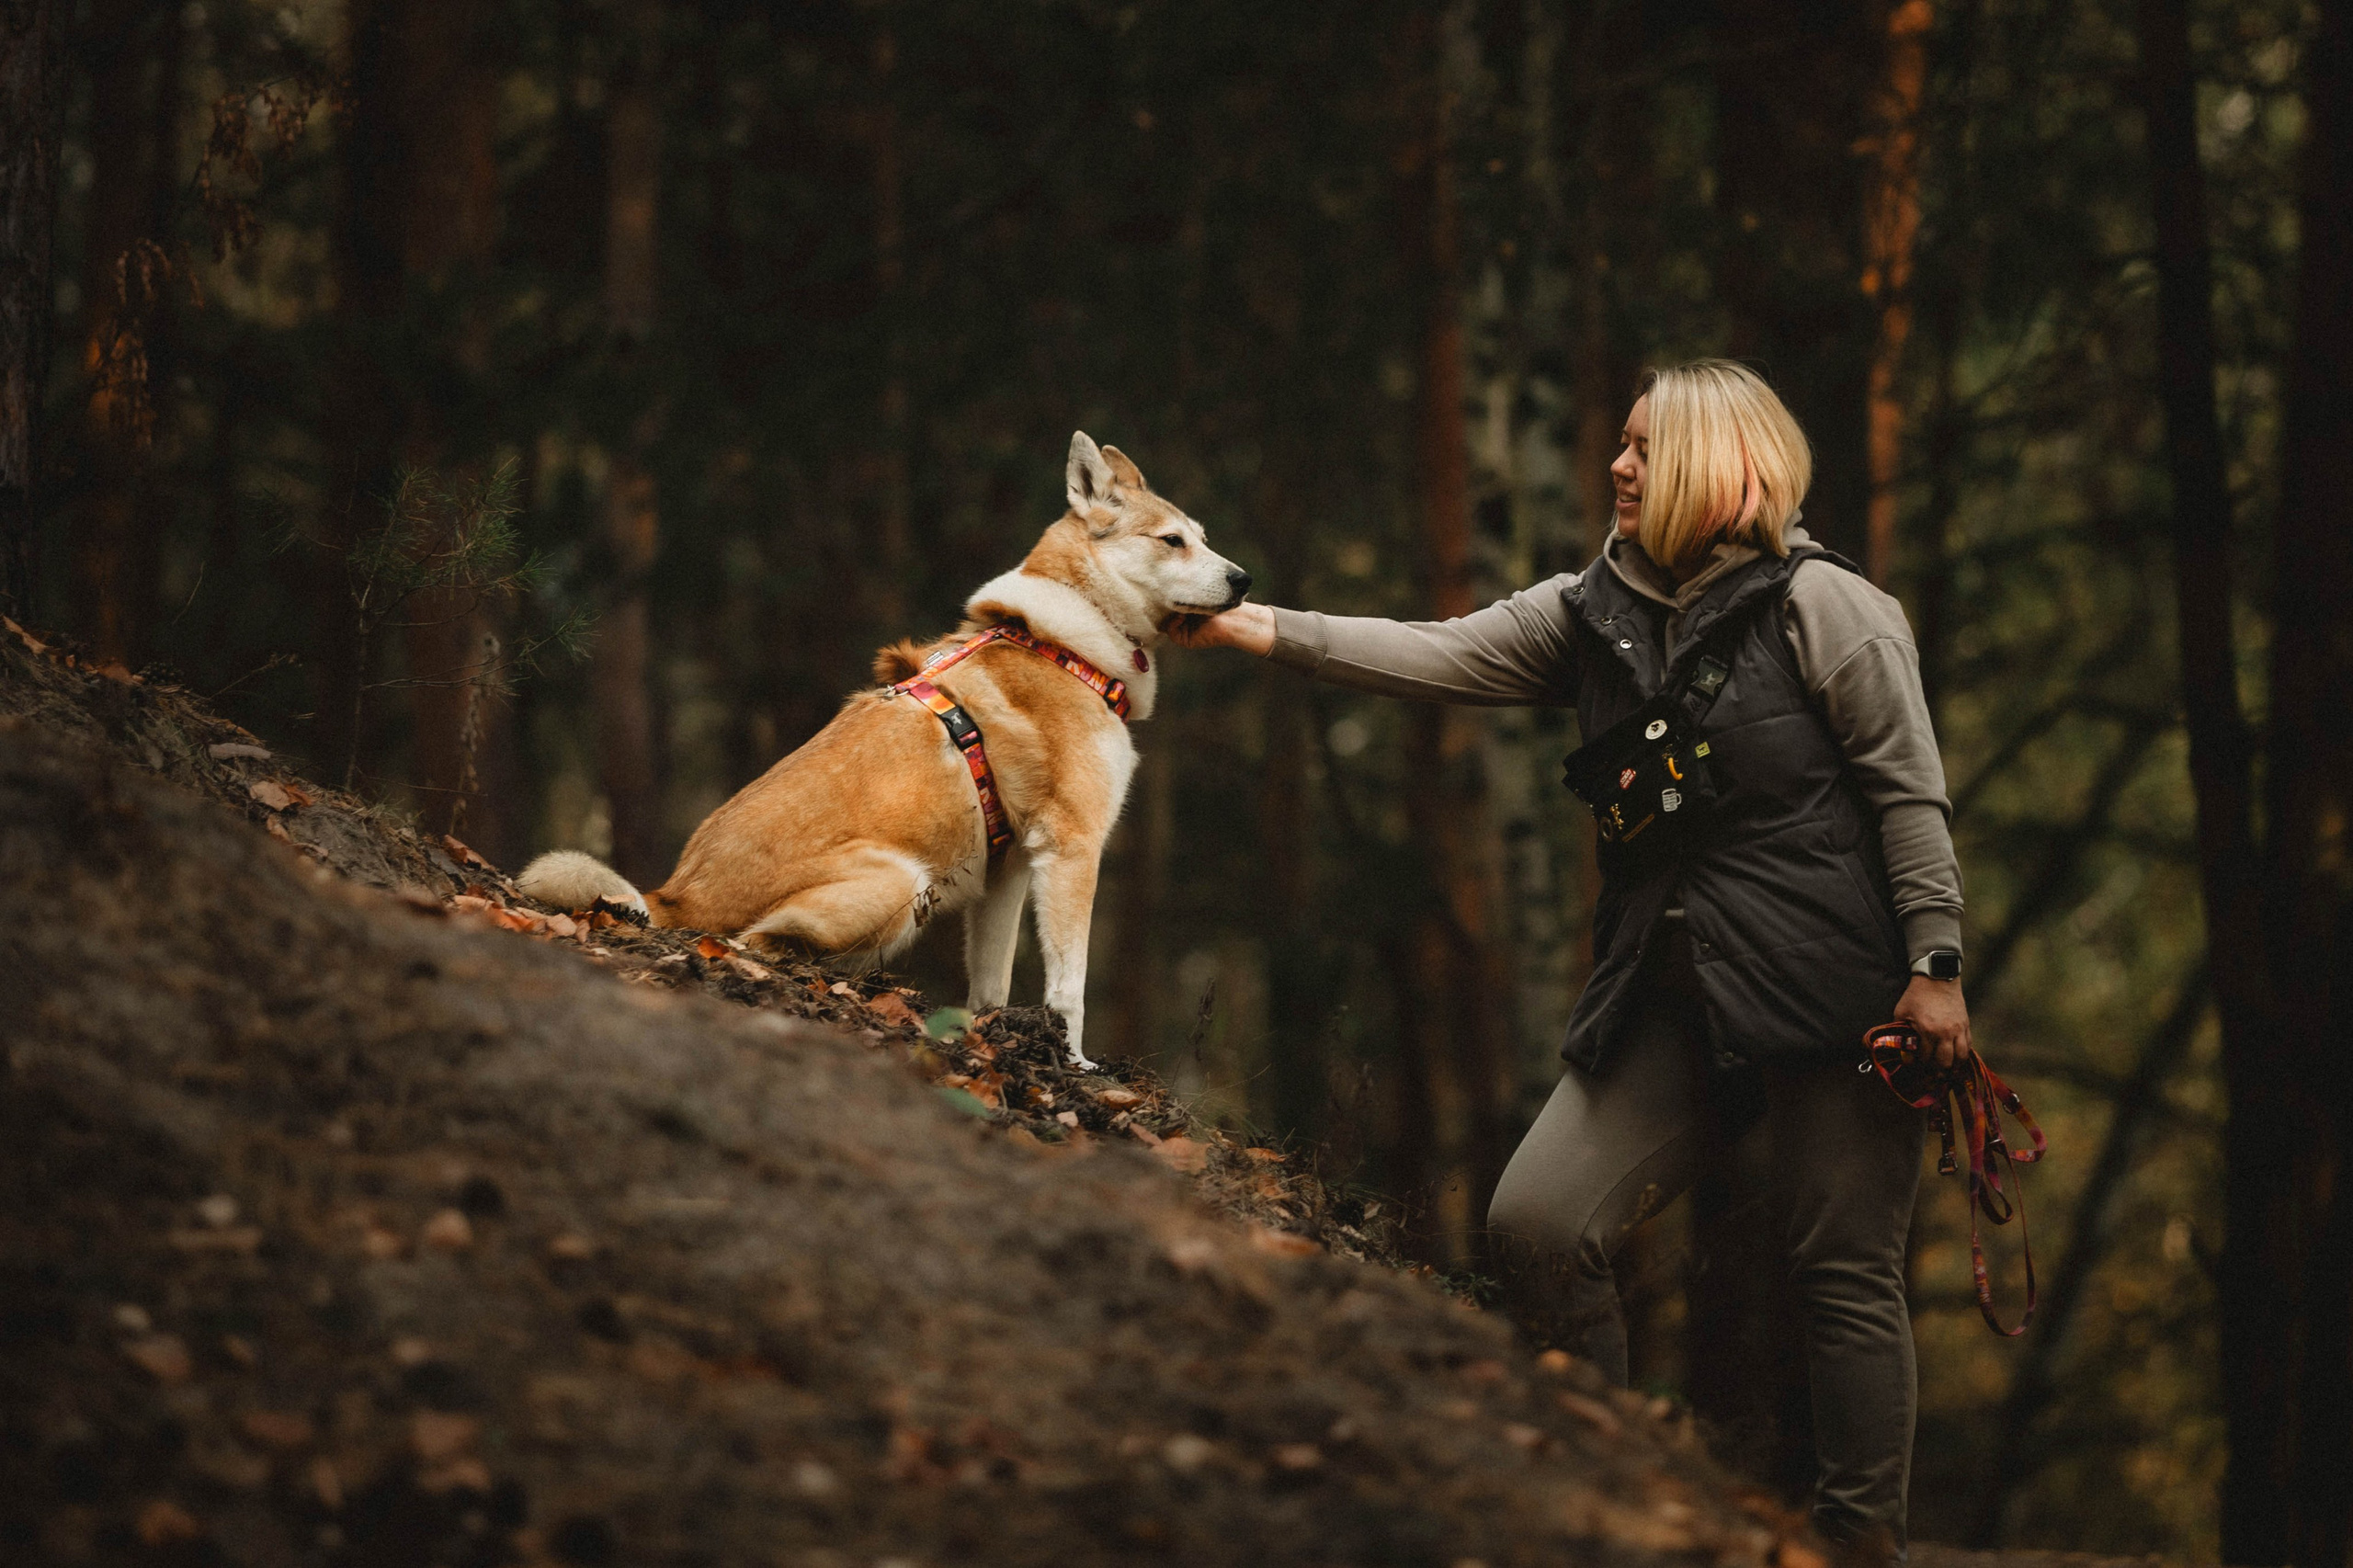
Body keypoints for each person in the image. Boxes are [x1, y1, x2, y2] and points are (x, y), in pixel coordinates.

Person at [1172, 359, 1966, 1561]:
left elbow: (1910, 796)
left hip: (1838, 996)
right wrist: (1247, 625)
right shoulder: (1591, 611)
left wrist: (1936, 967)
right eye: (1622, 444)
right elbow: (1434, 653)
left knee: (1844, 1275)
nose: (1618, 464)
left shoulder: (1831, 607)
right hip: (1667, 990)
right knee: (1541, 1223)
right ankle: (1615, 1520)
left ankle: (1861, 1549)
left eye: (1645, 447)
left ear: (1718, 465)